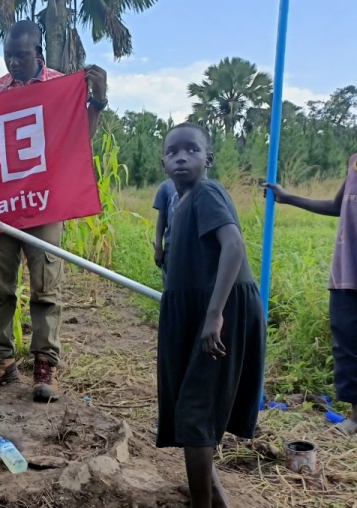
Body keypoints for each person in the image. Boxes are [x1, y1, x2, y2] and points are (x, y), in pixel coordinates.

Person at [0, 20, 109, 401]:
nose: (13, 62)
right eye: (8, 55)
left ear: (38, 54)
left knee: (46, 287)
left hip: (44, 204)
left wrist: (98, 99)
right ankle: (0, 360)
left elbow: (78, 138)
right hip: (2, 203)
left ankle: (45, 364)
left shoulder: (59, 86)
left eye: (21, 55)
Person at [158, 123, 265, 508]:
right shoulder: (178, 201)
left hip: (220, 307)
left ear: (209, 158)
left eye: (191, 150)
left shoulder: (207, 191)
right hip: (195, 308)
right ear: (163, 162)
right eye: (172, 152)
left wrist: (214, 314)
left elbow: (233, 246)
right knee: (190, 404)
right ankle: (215, 496)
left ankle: (203, 503)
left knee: (195, 409)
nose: (181, 157)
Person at [264, 153, 357, 436]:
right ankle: (356, 417)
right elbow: (336, 205)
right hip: (348, 269)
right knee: (347, 344)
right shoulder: (354, 161)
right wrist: (287, 197)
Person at [154, 178, 178, 285]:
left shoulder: (204, 187)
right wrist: (158, 248)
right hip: (171, 244)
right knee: (170, 285)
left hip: (196, 245)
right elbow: (162, 218)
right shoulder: (166, 187)